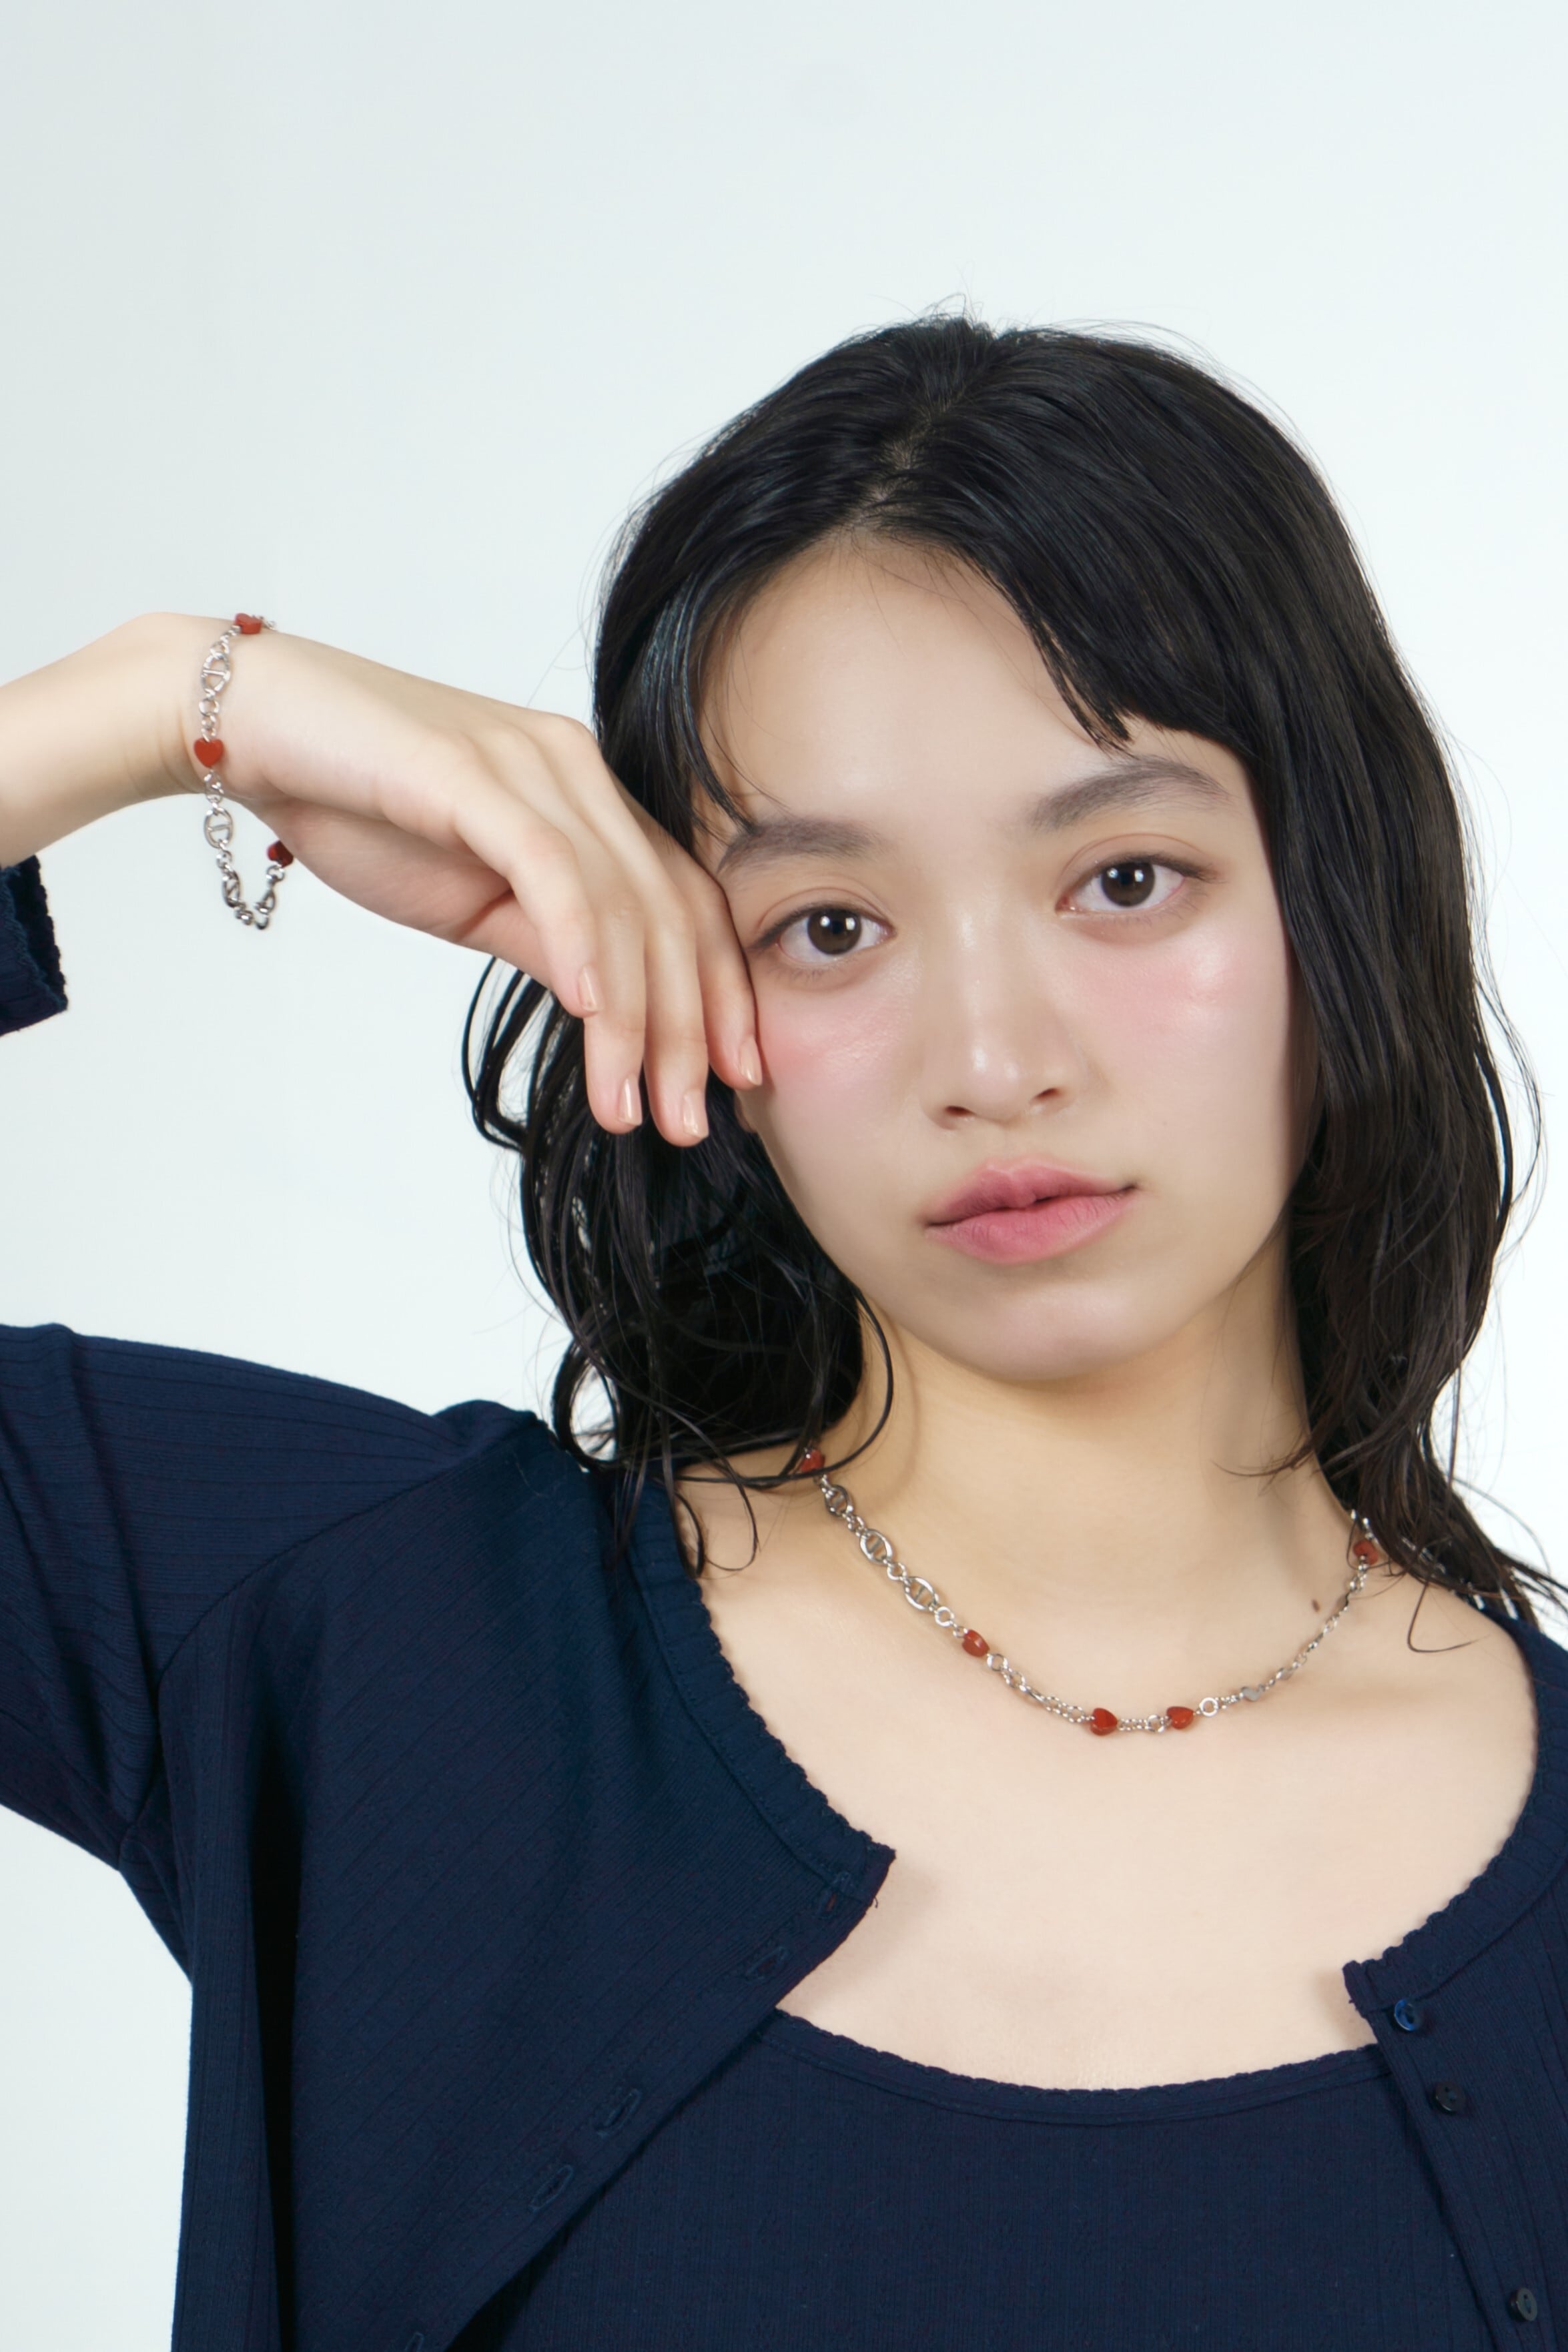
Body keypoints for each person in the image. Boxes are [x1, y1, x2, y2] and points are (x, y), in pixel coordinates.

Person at [1, 318, 1562, 2352]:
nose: (991, 1058)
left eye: (1125, 877)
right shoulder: (366, 1643)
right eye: (830, 926)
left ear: (1341, 900)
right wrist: (160, 703)